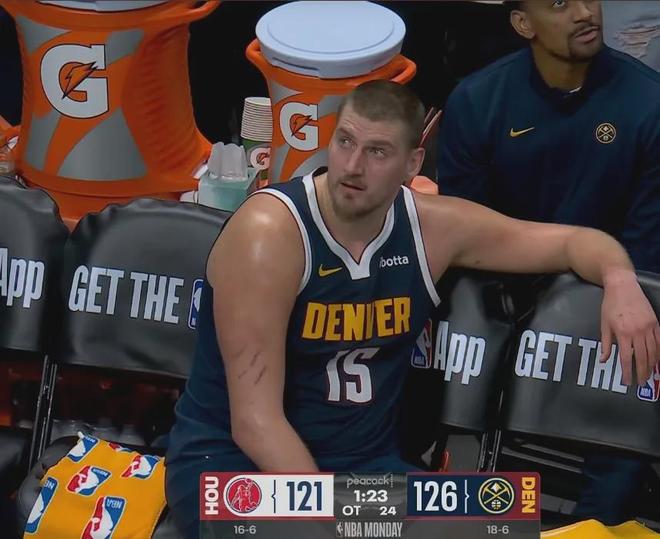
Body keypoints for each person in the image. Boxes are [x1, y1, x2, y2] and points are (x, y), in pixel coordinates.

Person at [165, 80, 659, 537]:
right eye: (344, 142)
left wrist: (619, 279)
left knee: (500, 516)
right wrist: (332, 524)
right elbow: (255, 423)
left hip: (363, 478)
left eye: (377, 152)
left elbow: (573, 242)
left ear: (412, 164)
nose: (352, 166)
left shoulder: (432, 228)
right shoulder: (270, 233)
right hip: (237, 475)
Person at [435, 0, 660, 525]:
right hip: (499, 297)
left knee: (638, 364)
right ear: (523, 23)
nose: (585, 12)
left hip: (610, 301)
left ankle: (597, 527)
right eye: (559, 3)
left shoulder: (649, 103)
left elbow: (647, 251)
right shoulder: (477, 101)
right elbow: (464, 233)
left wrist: (606, 290)